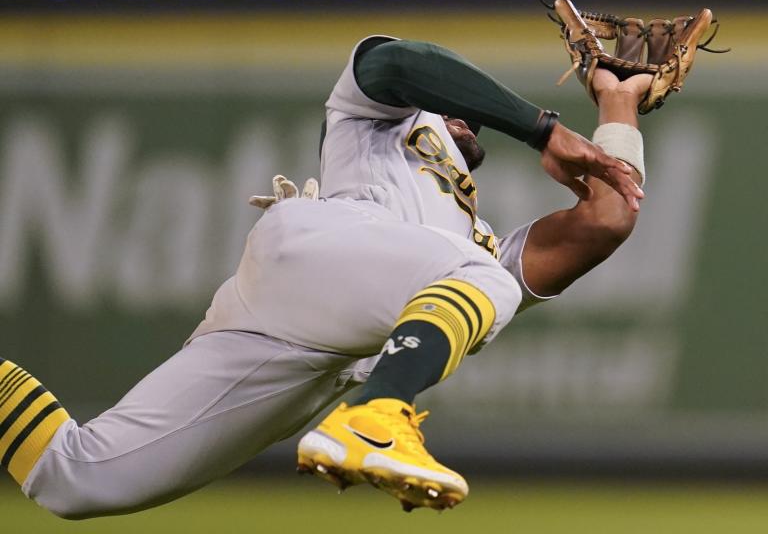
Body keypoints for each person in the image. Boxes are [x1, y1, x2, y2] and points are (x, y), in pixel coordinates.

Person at [0, 35, 652, 518]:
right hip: (319, 250)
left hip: (312, 348)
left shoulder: (470, 239)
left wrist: (617, 107)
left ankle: (367, 408)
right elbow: (392, 63)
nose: (467, 119)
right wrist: (541, 129)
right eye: (459, 108)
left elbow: (607, 219)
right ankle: (373, 419)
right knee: (485, 280)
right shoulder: (379, 122)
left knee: (75, 478)